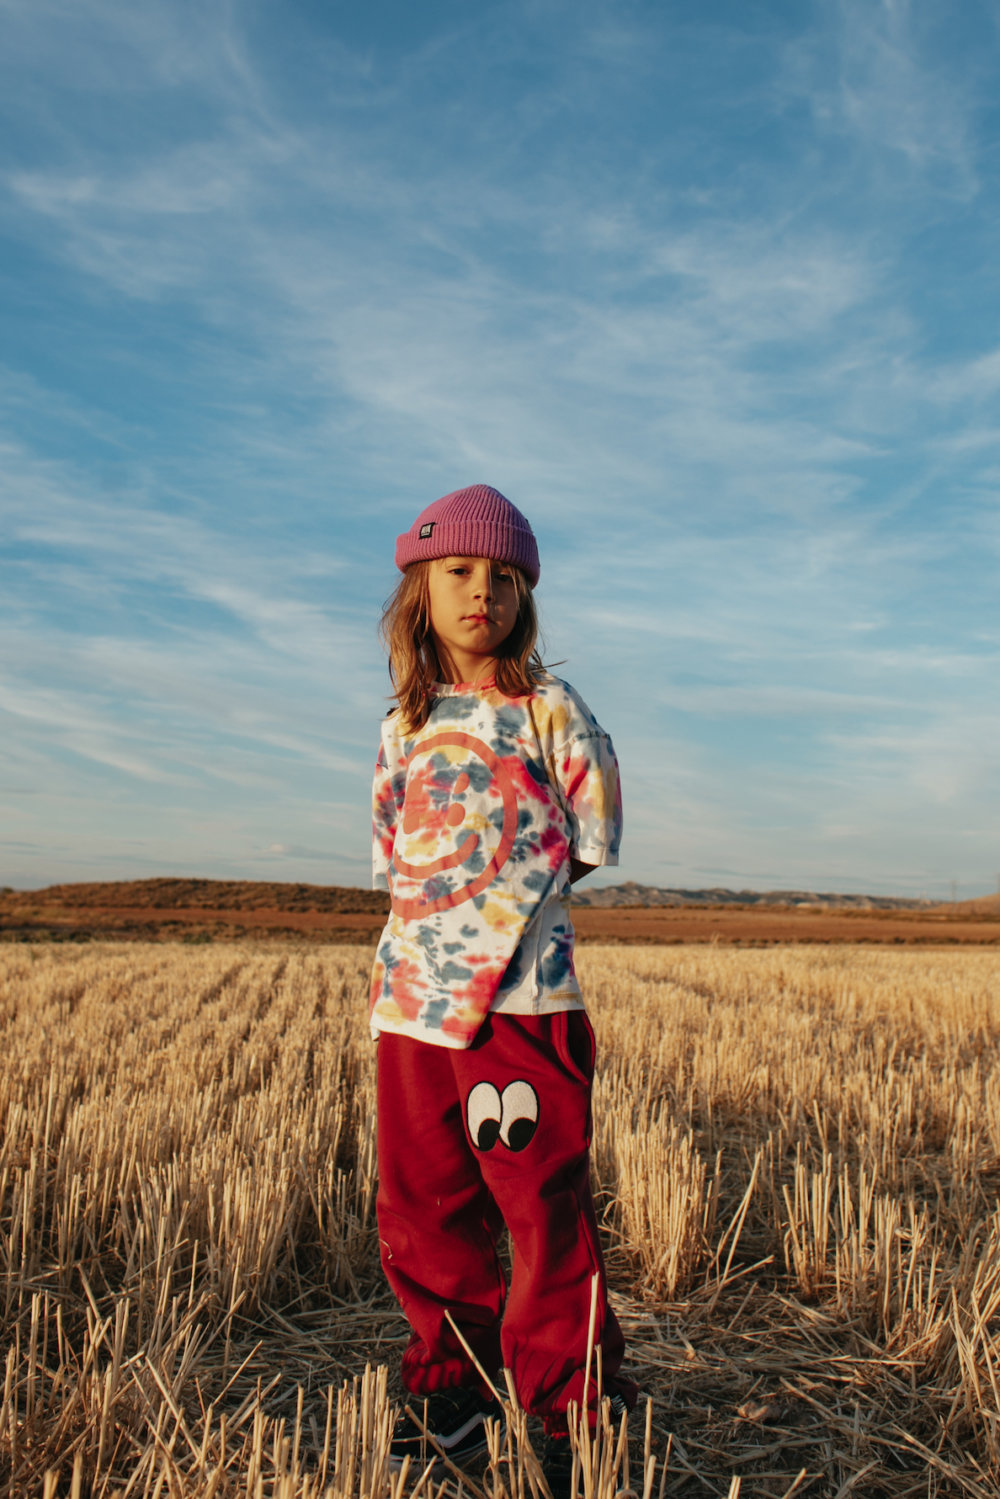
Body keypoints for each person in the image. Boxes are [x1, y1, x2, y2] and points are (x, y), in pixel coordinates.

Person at [368, 483, 636, 1490]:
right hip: (412, 1009)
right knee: (424, 1205)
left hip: (524, 1009)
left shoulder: (549, 709)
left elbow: (593, 831)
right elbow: (394, 855)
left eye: (505, 576)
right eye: (459, 571)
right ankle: (451, 1384)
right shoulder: (403, 723)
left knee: (540, 1210)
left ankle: (570, 1402)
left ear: (526, 593)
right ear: (419, 590)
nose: (483, 591)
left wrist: (507, 913)